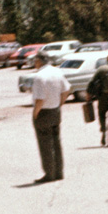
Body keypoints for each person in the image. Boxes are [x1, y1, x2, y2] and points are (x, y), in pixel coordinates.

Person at [29, 50, 70, 182]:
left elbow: (40, 99)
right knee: (56, 142)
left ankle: (49, 174)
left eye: (35, 61)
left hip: (44, 112)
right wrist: (59, 104)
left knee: (45, 144)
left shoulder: (40, 76)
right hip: (55, 110)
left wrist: (35, 113)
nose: (34, 64)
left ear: (39, 61)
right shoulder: (57, 71)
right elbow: (66, 90)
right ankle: (59, 172)